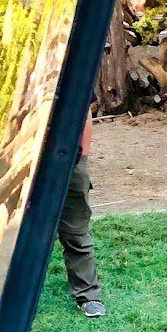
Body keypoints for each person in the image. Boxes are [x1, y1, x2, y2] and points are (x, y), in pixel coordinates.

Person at [58, 108, 106, 317]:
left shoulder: (73, 75)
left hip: (71, 160)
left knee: (76, 231)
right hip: (27, 160)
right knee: (21, 232)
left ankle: (88, 296)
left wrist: (82, 156)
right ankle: (13, 297)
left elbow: (84, 110)